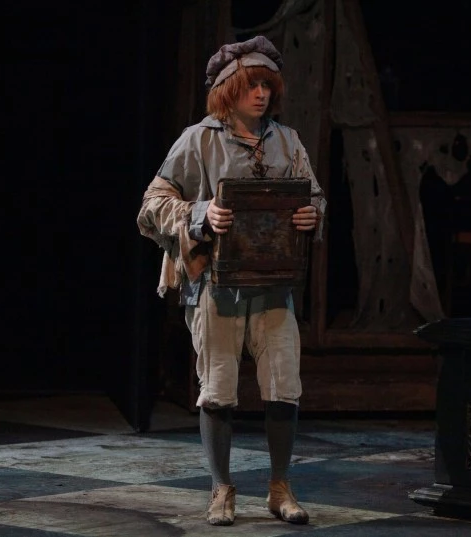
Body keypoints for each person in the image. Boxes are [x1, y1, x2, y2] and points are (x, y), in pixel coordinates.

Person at [137, 35, 326, 527]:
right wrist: (201, 213)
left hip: (273, 285)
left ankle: (280, 488)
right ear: (228, 91)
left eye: (267, 86)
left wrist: (312, 214)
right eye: (250, 86)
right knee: (218, 387)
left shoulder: (286, 141)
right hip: (216, 286)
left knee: (284, 385)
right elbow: (152, 205)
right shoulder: (198, 140)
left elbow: (313, 196)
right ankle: (221, 488)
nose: (261, 94)